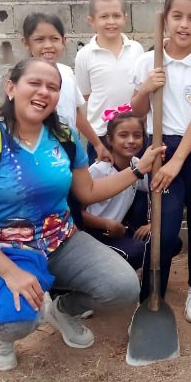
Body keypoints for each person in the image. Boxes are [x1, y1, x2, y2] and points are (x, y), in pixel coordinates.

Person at [0, 57, 164, 371]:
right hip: (1, 252)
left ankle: (63, 309)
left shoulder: (64, 139)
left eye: (53, 87)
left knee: (124, 287)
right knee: (20, 318)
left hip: (61, 243)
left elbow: (87, 192)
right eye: (34, 83)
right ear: (11, 88)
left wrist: (137, 169)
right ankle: (2, 335)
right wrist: (10, 273)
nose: (43, 92)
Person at [130, 0, 191, 323]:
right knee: (165, 226)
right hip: (160, 144)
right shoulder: (148, 61)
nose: (184, 25)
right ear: (166, 19)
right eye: (177, 16)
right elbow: (137, 110)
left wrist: (178, 160)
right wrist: (146, 87)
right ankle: (154, 290)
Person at [21, 13, 110, 163]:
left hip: (67, 149)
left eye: (54, 39)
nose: (48, 45)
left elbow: (77, 115)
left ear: (63, 41)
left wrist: (98, 144)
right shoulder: (22, 79)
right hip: (39, 155)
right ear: (26, 43)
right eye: (39, 39)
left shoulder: (67, 72)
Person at [75, 0, 145, 165]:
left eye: (116, 16)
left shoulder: (136, 49)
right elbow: (85, 96)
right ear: (91, 21)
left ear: (125, 17)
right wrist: (98, 143)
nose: (111, 22)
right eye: (104, 16)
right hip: (101, 134)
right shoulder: (85, 55)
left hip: (134, 132)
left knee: (138, 183)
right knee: (103, 185)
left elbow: (142, 89)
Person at [80, 105, 151, 270]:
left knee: (169, 243)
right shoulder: (100, 169)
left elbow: (157, 190)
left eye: (137, 135)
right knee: (143, 251)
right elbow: (78, 213)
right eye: (123, 135)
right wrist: (107, 224)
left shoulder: (136, 165)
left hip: (118, 231)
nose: (131, 140)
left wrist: (151, 224)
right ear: (109, 139)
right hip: (95, 234)